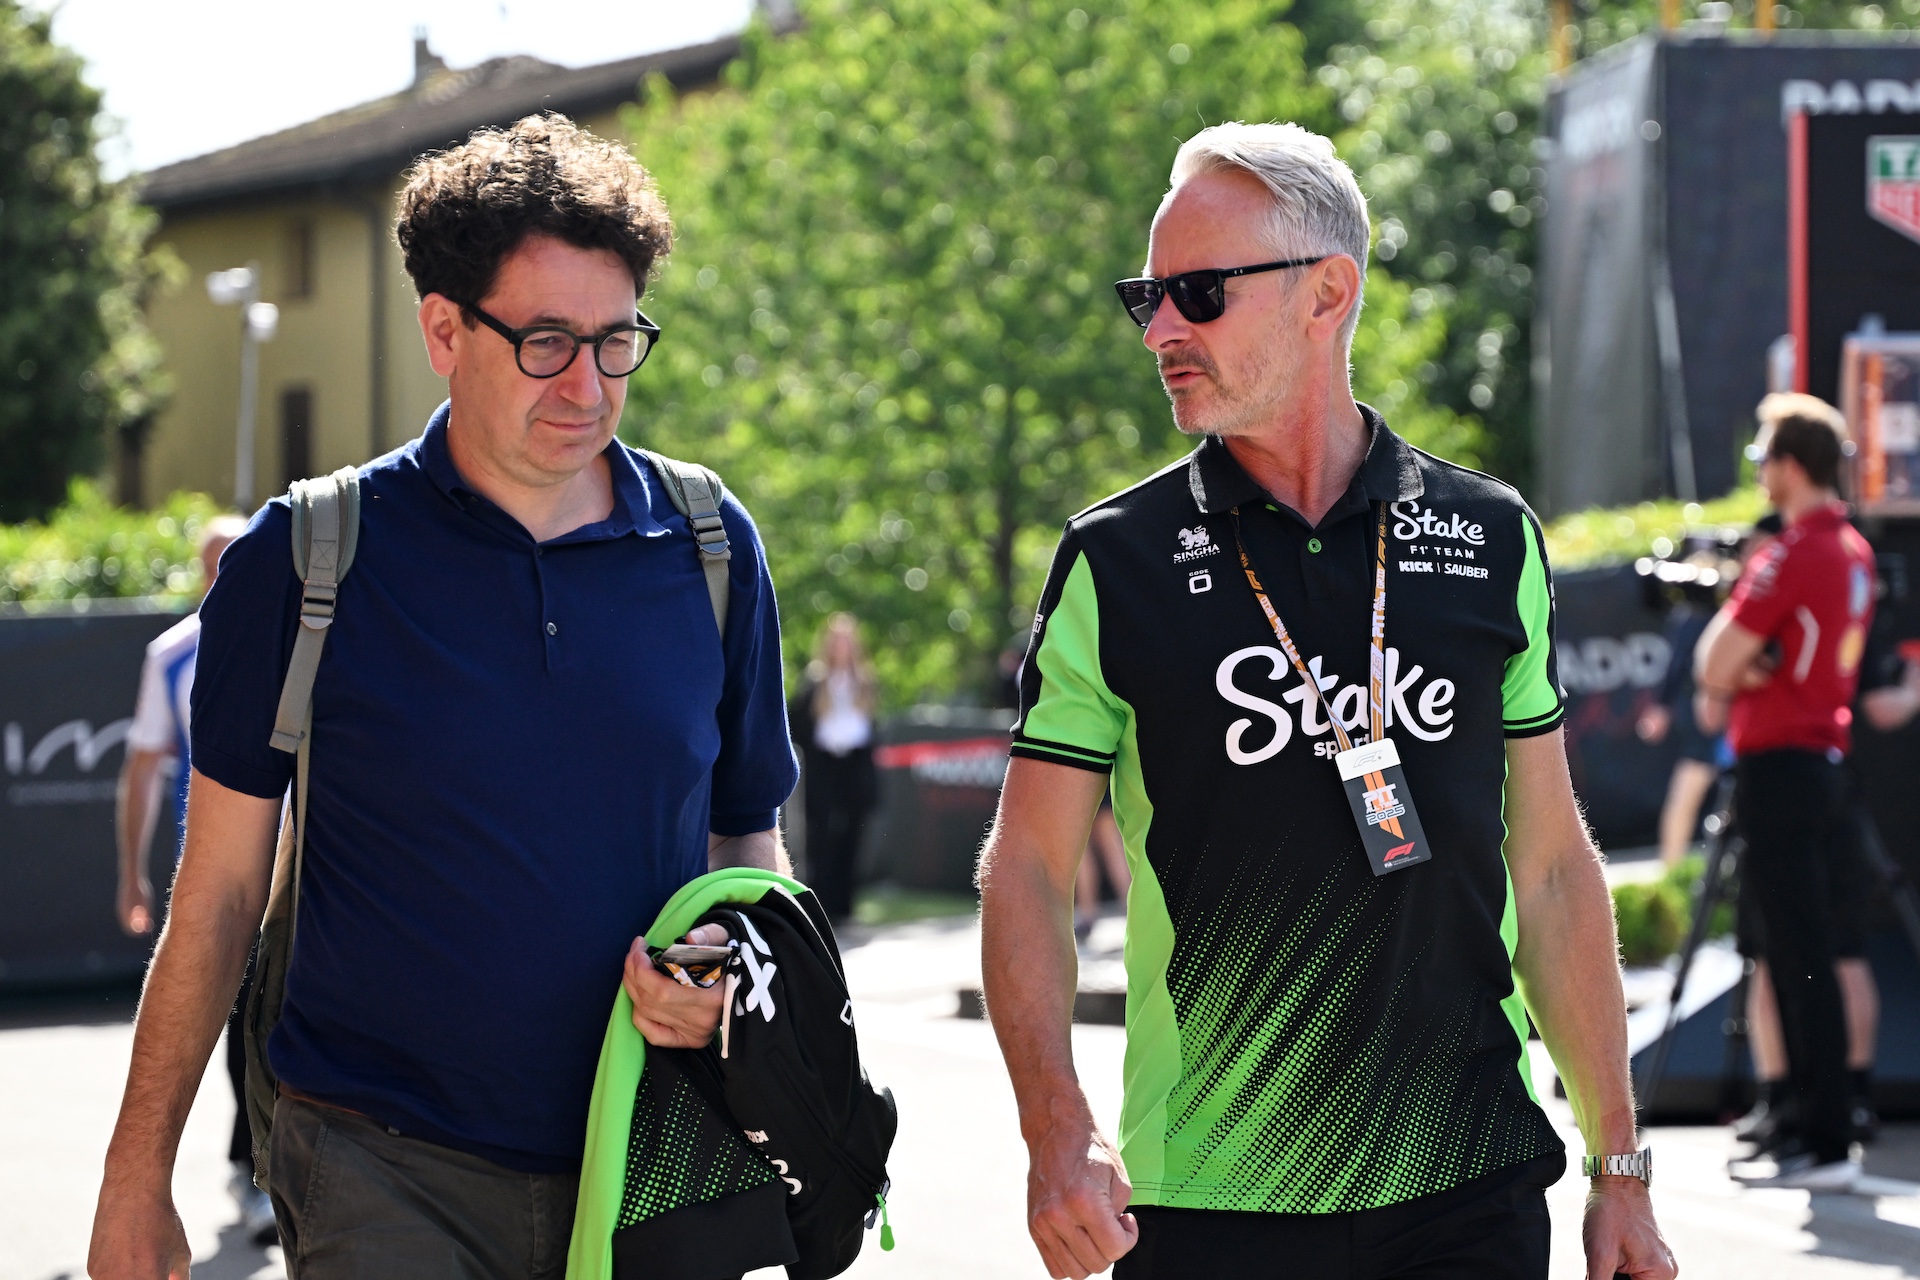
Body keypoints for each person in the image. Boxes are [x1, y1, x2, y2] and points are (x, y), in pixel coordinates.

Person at [88, 114, 797, 1280]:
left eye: (618, 342)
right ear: (443, 329)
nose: (589, 385)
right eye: (547, 342)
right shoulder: (304, 557)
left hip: (653, 1154)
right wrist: (136, 1173)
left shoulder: (712, 548)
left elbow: (749, 839)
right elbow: (216, 895)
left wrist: (730, 963)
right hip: (378, 1162)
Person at [977, 122, 1674, 1280]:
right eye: (1147, 297)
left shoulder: (1492, 534)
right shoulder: (1115, 558)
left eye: (1198, 293)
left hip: (1471, 1189)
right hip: (1211, 1199)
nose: (1160, 330)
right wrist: (1056, 1125)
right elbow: (1031, 868)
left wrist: (1621, 1167)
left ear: (1327, 293)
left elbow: (1552, 865)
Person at [1696, 392, 1875, 1190]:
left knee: (1799, 956)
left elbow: (1712, 661)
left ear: (1791, 465)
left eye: (1763, 456)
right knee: (1802, 952)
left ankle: (1824, 1139)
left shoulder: (1796, 550)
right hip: (1822, 760)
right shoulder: (1853, 547)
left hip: (1783, 767)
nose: (1759, 471)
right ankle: (1808, 1127)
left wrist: (1744, 667)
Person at [112, 514, 271, 1243]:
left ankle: (278, 1164)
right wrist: (132, 875)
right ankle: (251, 1165)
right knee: (241, 1010)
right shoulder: (174, 654)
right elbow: (144, 766)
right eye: (214, 563)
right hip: (225, 875)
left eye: (236, 559)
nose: (224, 575)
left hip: (313, 869)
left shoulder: (317, 631)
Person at [789, 612, 880, 922]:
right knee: (822, 833)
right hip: (825, 766)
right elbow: (800, 725)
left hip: (854, 765)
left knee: (852, 833)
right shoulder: (815, 682)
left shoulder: (865, 682)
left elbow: (871, 728)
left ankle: (845, 904)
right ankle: (821, 902)